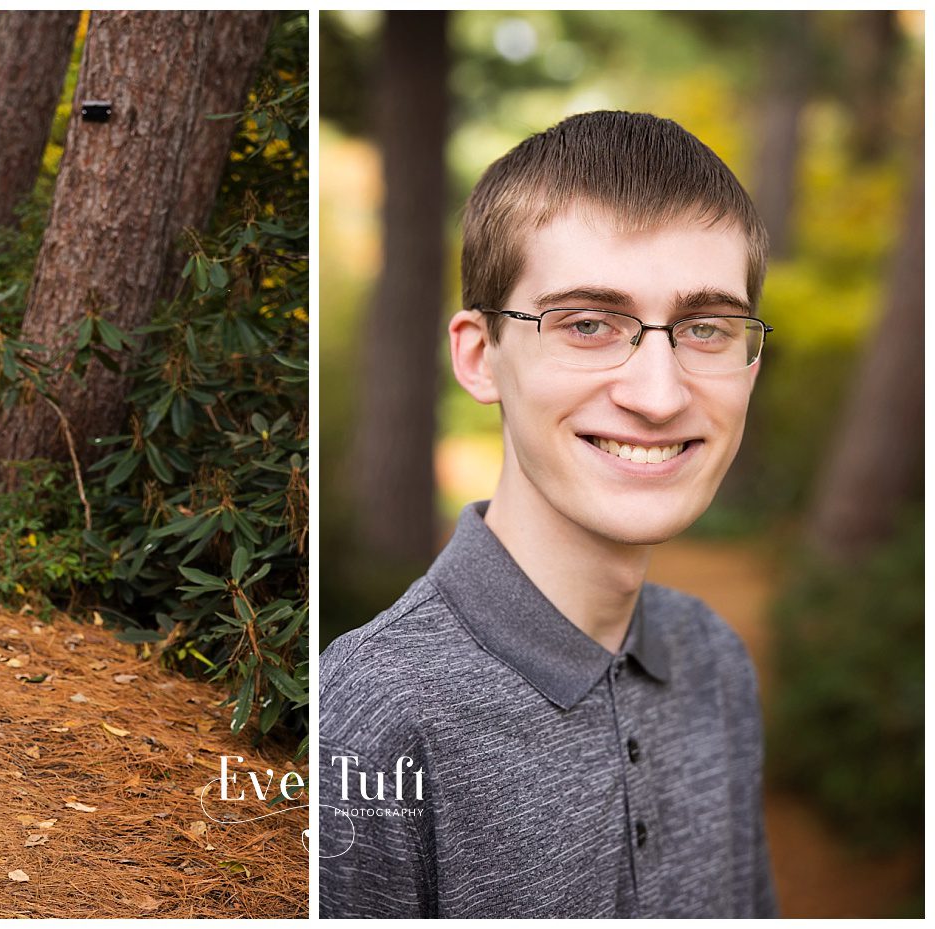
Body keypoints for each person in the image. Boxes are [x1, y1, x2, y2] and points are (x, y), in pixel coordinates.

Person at [319, 112, 777, 918]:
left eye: (706, 328)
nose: (660, 394)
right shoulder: (371, 713)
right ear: (478, 355)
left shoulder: (715, 659)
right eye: (588, 324)